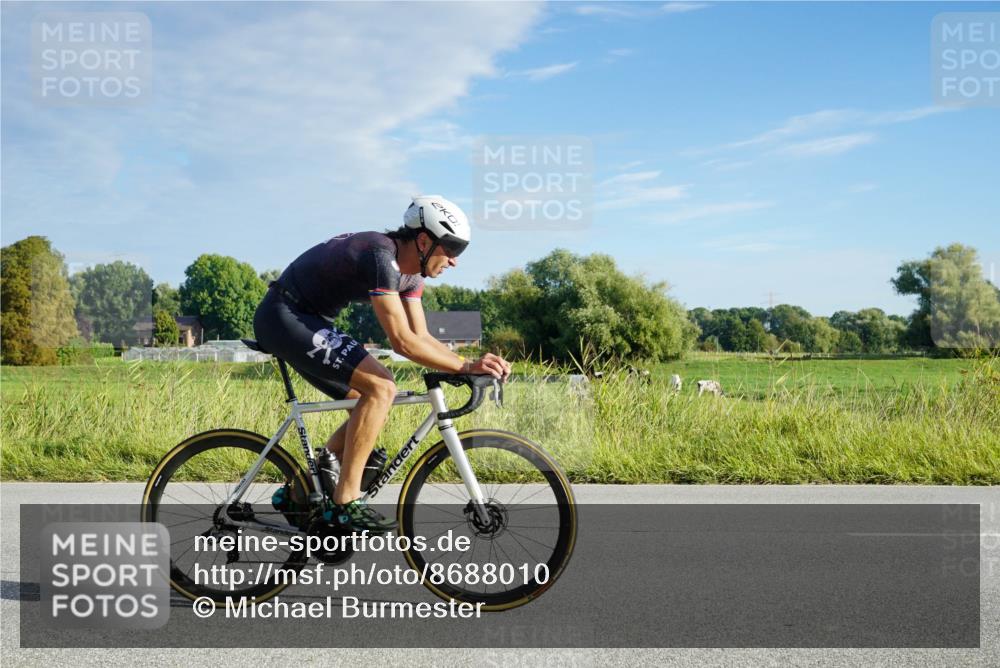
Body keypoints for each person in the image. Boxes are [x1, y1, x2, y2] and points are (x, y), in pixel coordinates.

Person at [252, 195, 511, 533]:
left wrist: (469, 363)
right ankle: (345, 501)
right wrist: (463, 367)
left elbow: (422, 336)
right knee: (381, 387)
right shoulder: (381, 256)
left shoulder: (412, 277)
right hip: (283, 315)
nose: (454, 261)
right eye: (451, 249)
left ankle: (297, 492)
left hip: (310, 319)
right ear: (423, 240)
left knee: (366, 400)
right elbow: (402, 342)